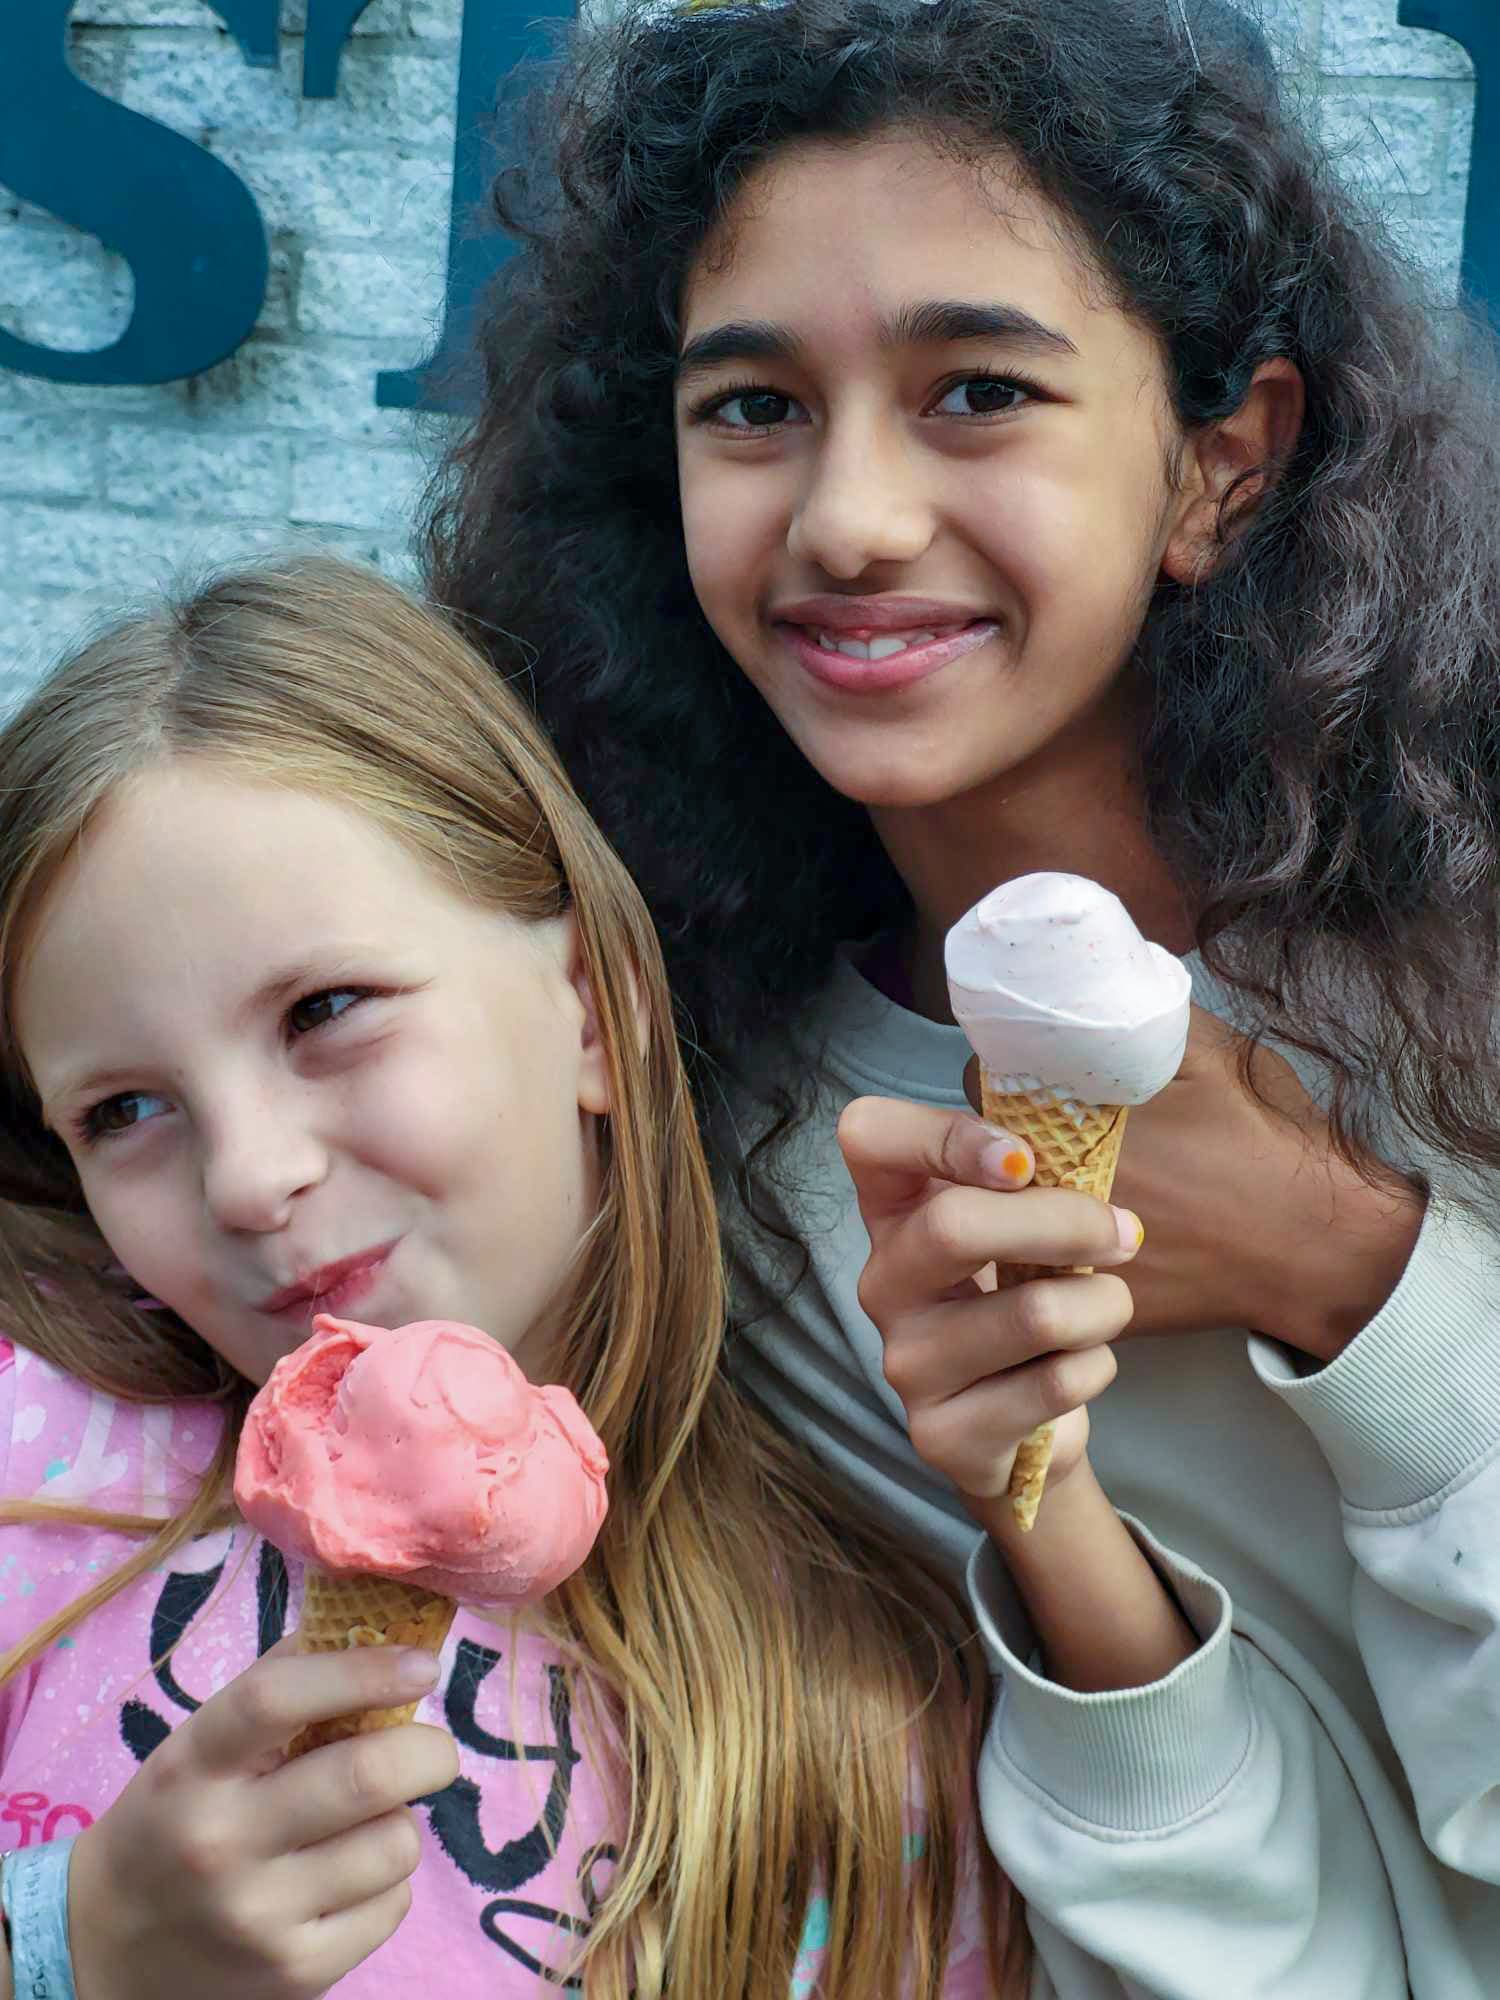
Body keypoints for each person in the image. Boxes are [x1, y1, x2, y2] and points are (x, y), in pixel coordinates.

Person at [423, 0, 1500, 1993]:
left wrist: (1356, 1270)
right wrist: (1041, 1521)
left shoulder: (1463, 993)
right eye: (749, 407)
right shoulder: (732, 1153)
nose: (847, 518)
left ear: (1221, 466)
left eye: (978, 391)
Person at [0, 556, 1347, 2000]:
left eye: (328, 1013)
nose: (246, 1177)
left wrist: (1051, 1503)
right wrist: (66, 1945)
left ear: (597, 1008)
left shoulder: (866, 1706)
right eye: (122, 1112)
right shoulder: (36, 1464)